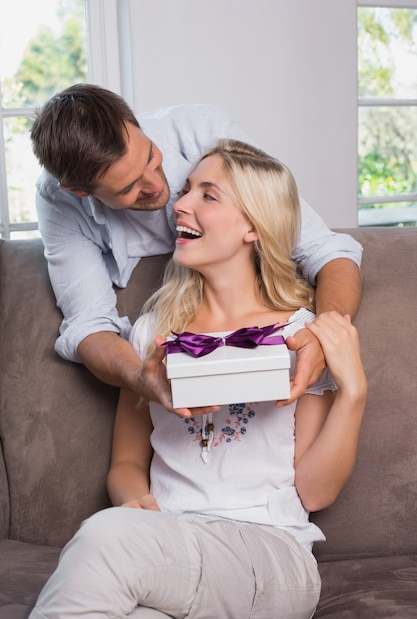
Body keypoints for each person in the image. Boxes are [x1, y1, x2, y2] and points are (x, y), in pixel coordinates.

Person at [26, 139, 367, 619]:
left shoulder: (300, 336)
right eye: (186, 190)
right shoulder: (151, 334)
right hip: (169, 547)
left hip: (270, 556)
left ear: (254, 224)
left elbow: (313, 493)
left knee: (106, 538)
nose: (179, 204)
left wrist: (353, 392)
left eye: (208, 195)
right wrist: (131, 502)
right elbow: (126, 462)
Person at [31, 83, 363, 417]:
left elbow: (326, 251)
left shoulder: (203, 131)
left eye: (151, 157)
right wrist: (141, 380)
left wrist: (325, 338)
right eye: (130, 187)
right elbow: (89, 326)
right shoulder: (58, 200)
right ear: (79, 191)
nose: (159, 187)